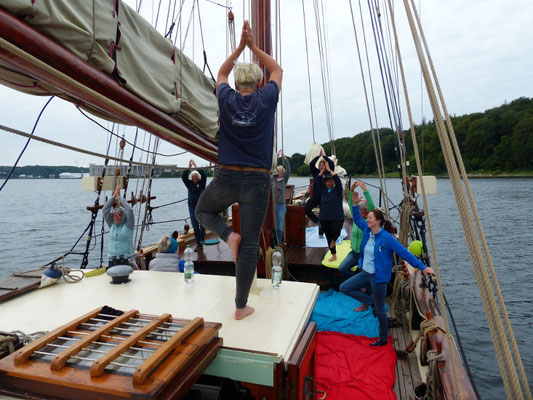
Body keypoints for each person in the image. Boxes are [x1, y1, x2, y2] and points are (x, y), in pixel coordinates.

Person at [195, 20, 282, 321]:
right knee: (249, 247)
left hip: (226, 177)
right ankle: (240, 306)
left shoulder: (226, 97)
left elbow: (220, 73)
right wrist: (255, 47)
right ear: (259, 83)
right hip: (257, 182)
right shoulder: (267, 98)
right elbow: (278, 70)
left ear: (236, 84)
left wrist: (239, 48)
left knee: (202, 211)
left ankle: (226, 235)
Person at [340, 189, 434, 347]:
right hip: (365, 273)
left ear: (378, 221)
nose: (367, 219)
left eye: (369, 217)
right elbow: (356, 218)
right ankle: (370, 302)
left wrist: (422, 267)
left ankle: (382, 339)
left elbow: (405, 253)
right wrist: (354, 205)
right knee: (344, 287)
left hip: (379, 279)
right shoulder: (367, 231)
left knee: (381, 312)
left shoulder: (387, 239)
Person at [339, 180, 375, 277]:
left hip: (365, 254)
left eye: (361, 209)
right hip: (354, 252)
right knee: (342, 268)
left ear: (366, 210)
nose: (359, 210)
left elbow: (372, 207)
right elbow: (351, 205)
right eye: (358, 209)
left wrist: (364, 190)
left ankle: (360, 283)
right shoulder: (356, 219)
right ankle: (355, 279)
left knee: (365, 274)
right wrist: (351, 191)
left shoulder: (370, 222)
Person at [103, 185, 136, 268]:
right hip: (112, 260)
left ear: (123, 216)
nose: (117, 218)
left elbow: (130, 211)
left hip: (126, 259)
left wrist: (119, 198)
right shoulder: (112, 225)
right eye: (115, 216)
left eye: (119, 216)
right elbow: (105, 210)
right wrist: (113, 197)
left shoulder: (128, 225)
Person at [317, 162, 344, 262]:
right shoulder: (323, 190)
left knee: (336, 231)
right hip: (324, 217)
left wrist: (329, 170)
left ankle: (334, 240)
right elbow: (318, 180)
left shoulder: (337, 190)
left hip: (337, 217)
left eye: (329, 182)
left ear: (332, 182)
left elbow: (337, 178)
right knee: (328, 236)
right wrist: (322, 170)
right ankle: (333, 254)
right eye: (326, 182)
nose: (328, 183)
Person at [305, 151, 335, 237]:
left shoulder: (328, 173)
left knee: (323, 215)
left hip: (325, 197)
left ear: (325, 166)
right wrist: (318, 156)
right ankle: (317, 222)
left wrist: (324, 156)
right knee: (307, 209)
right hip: (315, 196)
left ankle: (321, 234)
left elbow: (332, 164)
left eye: (323, 165)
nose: (322, 167)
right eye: (320, 165)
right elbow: (311, 164)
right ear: (319, 166)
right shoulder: (316, 172)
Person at [182, 160, 207, 251]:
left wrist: (196, 166)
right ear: (191, 178)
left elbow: (203, 174)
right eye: (193, 176)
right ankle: (198, 243)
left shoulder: (201, 183)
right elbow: (184, 177)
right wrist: (189, 167)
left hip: (201, 206)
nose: (195, 176)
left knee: (202, 223)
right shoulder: (189, 185)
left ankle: (202, 237)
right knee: (195, 225)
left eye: (196, 175)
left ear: (198, 177)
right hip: (192, 207)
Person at [274, 151, 291, 244]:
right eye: (278, 171)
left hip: (281, 205)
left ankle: (279, 242)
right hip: (273, 205)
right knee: (272, 225)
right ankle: (272, 241)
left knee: (280, 225)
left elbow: (288, 169)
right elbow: (270, 169)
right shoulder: (272, 180)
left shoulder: (284, 180)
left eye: (281, 172)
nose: (280, 173)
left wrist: (284, 157)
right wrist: (276, 157)